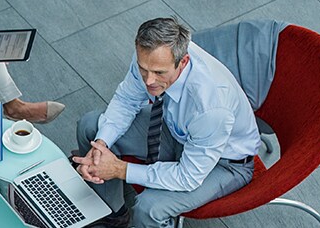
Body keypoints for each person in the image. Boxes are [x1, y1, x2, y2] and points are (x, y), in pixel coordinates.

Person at [72, 18, 261, 227]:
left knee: (149, 208)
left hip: (224, 164)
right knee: (91, 126)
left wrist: (119, 169)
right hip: (176, 131)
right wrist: (101, 145)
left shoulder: (211, 107)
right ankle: (112, 214)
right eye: (144, 69)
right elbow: (126, 101)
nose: (149, 81)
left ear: (184, 62)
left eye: (159, 73)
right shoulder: (150, 57)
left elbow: (188, 177)